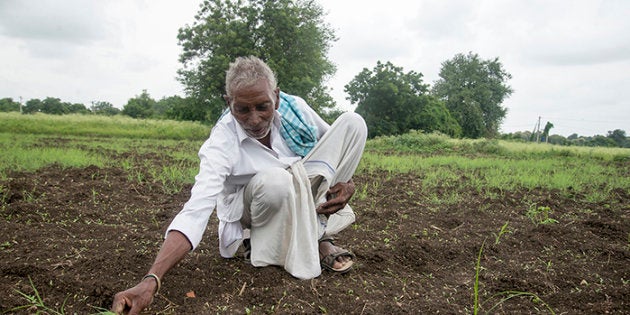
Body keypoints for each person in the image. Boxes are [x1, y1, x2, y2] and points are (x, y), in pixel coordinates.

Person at [111, 56, 367, 314]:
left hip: (299, 192)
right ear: (228, 103)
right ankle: (259, 242)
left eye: (263, 106)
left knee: (353, 123)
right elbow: (196, 210)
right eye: (243, 109)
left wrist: (347, 183)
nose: (254, 119)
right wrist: (151, 280)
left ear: (276, 98)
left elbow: (334, 148)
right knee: (276, 179)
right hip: (254, 209)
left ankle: (319, 232)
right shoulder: (222, 141)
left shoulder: (296, 109)